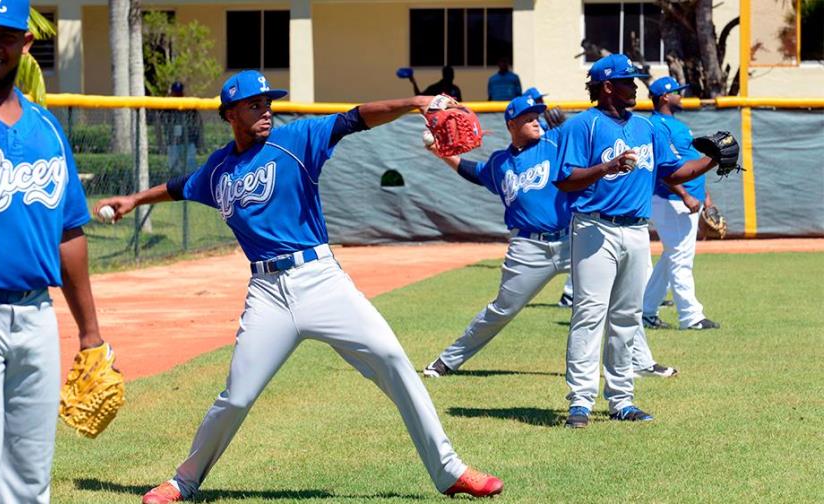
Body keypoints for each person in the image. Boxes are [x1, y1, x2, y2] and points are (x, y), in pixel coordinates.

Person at [94, 70, 503, 503]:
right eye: (255, 105)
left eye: (268, 102)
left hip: (321, 280)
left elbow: (355, 118)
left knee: (392, 359)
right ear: (231, 114)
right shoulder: (219, 168)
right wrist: (135, 200)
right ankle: (183, 482)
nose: (266, 110)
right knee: (236, 397)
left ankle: (451, 471)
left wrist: (414, 103)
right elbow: (179, 186)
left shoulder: (298, 139)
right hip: (267, 295)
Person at [0, 1, 112, 501]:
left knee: (29, 480)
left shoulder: (47, 129)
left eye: (6, 36)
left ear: (25, 45)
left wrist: (90, 332)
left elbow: (69, 233)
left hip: (35, 314)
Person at [553, 54, 723, 428]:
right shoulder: (584, 125)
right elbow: (565, 180)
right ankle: (580, 402)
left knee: (627, 317)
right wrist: (606, 168)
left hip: (636, 230)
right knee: (589, 314)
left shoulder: (647, 127)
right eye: (630, 81)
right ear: (608, 86)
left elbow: (674, 171)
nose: (636, 86)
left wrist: (712, 160)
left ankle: (621, 400)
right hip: (594, 228)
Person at [422, 95, 571, 377]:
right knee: (502, 309)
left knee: (610, 298)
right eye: (529, 119)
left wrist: (566, 125)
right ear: (512, 124)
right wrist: (437, 151)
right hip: (527, 247)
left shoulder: (555, 143)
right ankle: (447, 360)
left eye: (537, 117)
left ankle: (642, 362)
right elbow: (473, 172)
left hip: (570, 241)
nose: (536, 122)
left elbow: (583, 142)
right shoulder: (499, 162)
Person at [639, 77, 720, 332]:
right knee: (681, 258)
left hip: (687, 200)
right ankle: (691, 317)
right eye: (676, 92)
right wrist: (685, 195)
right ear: (664, 97)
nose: (681, 96)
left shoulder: (676, 125)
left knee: (671, 257)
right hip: (672, 200)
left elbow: (688, 163)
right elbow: (662, 170)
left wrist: (705, 196)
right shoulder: (656, 126)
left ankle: (646, 311)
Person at [162, 81, 203, 175]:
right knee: (174, 169)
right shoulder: (167, 106)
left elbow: (197, 124)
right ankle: (175, 188)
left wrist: (198, 142)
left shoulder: (189, 105)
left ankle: (190, 187)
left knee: (190, 168)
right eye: (175, 92)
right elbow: (162, 120)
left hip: (189, 141)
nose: (177, 95)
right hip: (173, 142)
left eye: (179, 92)